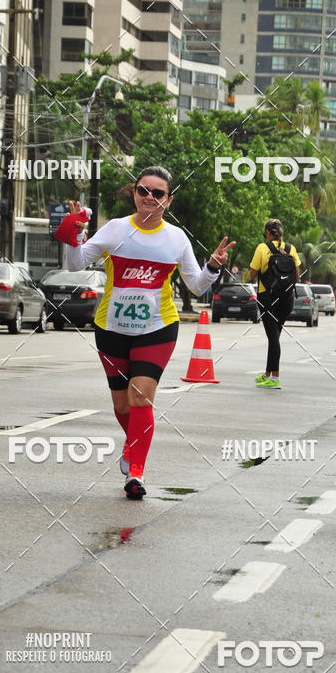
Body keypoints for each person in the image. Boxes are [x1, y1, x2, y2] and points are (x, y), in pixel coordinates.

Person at [58, 166, 235, 499]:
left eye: (158, 193)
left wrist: (212, 266)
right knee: (123, 406)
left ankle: (135, 474)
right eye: (144, 191)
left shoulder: (176, 238)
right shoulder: (115, 229)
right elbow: (76, 264)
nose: (150, 197)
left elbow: (196, 287)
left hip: (158, 327)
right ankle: (133, 444)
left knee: (140, 396)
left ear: (168, 200)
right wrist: (72, 237)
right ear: (134, 193)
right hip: (111, 328)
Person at [249, 218, 300, 389]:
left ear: (268, 233)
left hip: (267, 298)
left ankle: (275, 378)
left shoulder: (262, 248)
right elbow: (297, 275)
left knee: (272, 337)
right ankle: (267, 374)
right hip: (287, 298)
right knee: (275, 337)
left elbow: (252, 274)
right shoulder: (291, 248)